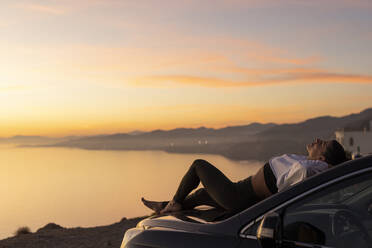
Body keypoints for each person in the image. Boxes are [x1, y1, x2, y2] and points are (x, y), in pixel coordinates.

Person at [142, 138, 347, 215]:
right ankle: (164, 206)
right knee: (203, 194)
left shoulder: (312, 167)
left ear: (321, 158)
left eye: (323, 144)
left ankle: (175, 202)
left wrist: (321, 164)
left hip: (239, 196)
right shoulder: (308, 162)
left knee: (198, 165)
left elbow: (297, 176)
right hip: (242, 190)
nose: (318, 140)